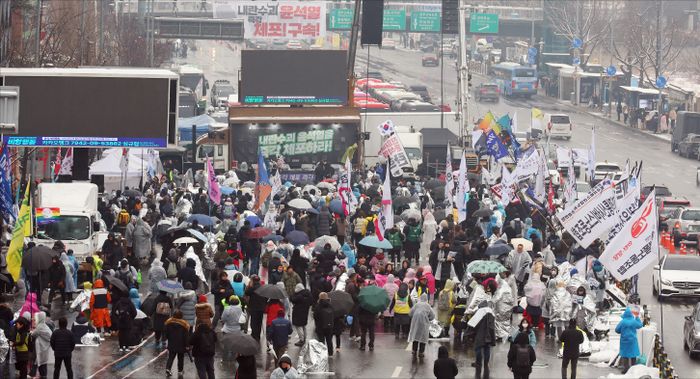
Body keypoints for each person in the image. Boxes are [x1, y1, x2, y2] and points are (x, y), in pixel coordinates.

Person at [615, 307, 643, 374]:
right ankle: (633, 368)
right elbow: (640, 325)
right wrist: (637, 317)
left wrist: (621, 331)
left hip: (624, 341)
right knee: (633, 354)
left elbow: (617, 330)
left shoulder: (622, 322)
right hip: (632, 341)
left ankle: (626, 369)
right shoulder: (634, 321)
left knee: (625, 355)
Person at [472, 301, 496, 379]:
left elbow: (473, 324)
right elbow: (492, 326)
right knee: (487, 348)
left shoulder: (479, 312)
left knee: (478, 348)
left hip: (480, 334)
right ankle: (486, 363)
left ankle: (479, 363)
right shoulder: (491, 313)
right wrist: (492, 337)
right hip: (488, 334)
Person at [165, 310, 191, 377]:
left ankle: (168, 368)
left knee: (171, 357)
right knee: (180, 358)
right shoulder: (184, 325)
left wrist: (168, 339)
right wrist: (187, 345)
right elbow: (186, 336)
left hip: (172, 343)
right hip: (181, 344)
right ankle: (180, 371)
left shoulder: (169, 323)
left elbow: (166, 334)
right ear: (181, 316)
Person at [408, 293, 434, 359]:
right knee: (423, 337)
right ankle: (421, 352)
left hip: (415, 322)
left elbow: (410, 313)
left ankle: (414, 350)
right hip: (424, 323)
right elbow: (432, 315)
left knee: (415, 335)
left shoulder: (416, 305)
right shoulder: (428, 306)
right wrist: (428, 319)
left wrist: (413, 317)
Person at [30, 312, 52, 379]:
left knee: (37, 361)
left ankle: (33, 375)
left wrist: (31, 332)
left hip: (40, 348)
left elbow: (33, 335)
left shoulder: (39, 326)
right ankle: (43, 376)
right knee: (43, 363)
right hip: (44, 347)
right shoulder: (45, 325)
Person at [313, 292, 335, 356]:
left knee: (321, 341)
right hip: (329, 326)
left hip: (320, 326)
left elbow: (315, 316)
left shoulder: (318, 306)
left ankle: (322, 354)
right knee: (329, 340)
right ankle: (330, 353)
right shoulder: (330, 305)